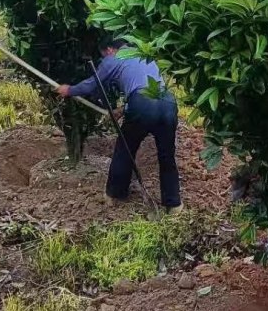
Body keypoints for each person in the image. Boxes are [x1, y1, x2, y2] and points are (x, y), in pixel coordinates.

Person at [56, 38, 182, 212]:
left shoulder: (114, 58)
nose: (104, 59)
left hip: (143, 104)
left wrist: (69, 90)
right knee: (167, 156)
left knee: (125, 149)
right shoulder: (143, 54)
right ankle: (174, 204)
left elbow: (93, 84)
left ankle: (116, 194)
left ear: (109, 49)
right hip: (168, 102)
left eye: (103, 56)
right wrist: (124, 109)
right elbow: (145, 88)